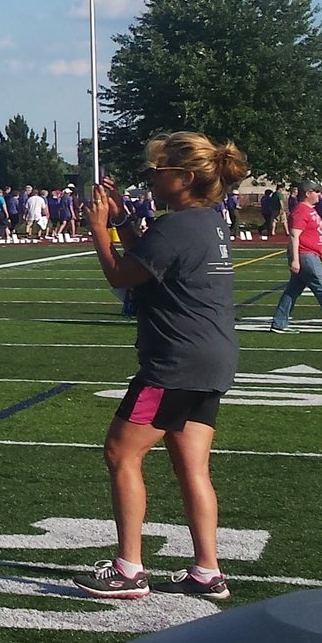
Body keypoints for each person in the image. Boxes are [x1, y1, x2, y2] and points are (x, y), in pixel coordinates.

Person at [77, 131, 248, 603]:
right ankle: (207, 570)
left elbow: (123, 274)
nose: (150, 179)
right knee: (191, 466)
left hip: (175, 362)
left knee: (120, 453)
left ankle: (129, 569)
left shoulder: (176, 227)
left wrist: (98, 229)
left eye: (158, 172)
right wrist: (124, 217)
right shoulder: (207, 222)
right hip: (212, 359)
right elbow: (151, 256)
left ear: (184, 177)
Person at [268, 183, 322, 333]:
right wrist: (295, 260)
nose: (319, 194)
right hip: (306, 255)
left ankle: (279, 322)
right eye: (316, 191)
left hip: (311, 255)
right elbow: (294, 236)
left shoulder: (310, 210)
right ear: (307, 193)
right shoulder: (300, 211)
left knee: (292, 291)